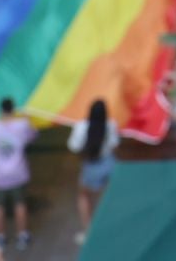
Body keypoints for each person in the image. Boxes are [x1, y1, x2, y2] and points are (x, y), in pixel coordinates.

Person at [68, 99, 119, 247]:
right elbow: (114, 146)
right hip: (109, 163)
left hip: (90, 165)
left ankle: (89, 231)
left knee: (84, 196)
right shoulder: (111, 125)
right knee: (107, 199)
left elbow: (74, 147)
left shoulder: (81, 127)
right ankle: (109, 228)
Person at [0, 96, 35, 251]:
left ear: (0, 110)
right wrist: (28, 120)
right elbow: (32, 136)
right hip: (18, 172)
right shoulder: (23, 125)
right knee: (20, 204)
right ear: (13, 109)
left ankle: (0, 237)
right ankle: (22, 235)